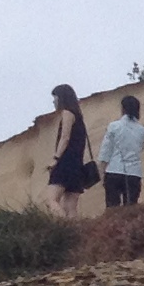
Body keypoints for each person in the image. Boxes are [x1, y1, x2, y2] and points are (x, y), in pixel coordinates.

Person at [44, 83, 97, 215]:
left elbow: (65, 138)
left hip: (65, 163)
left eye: (55, 98)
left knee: (51, 200)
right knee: (70, 207)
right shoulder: (79, 117)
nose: (54, 101)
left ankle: (63, 225)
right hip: (77, 165)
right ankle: (74, 227)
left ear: (62, 98)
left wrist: (55, 158)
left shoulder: (67, 113)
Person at [99, 93, 144, 208]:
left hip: (114, 170)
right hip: (134, 173)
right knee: (131, 209)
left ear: (123, 108)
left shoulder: (114, 126)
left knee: (112, 209)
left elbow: (105, 152)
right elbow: (141, 148)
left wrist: (102, 172)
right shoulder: (142, 130)